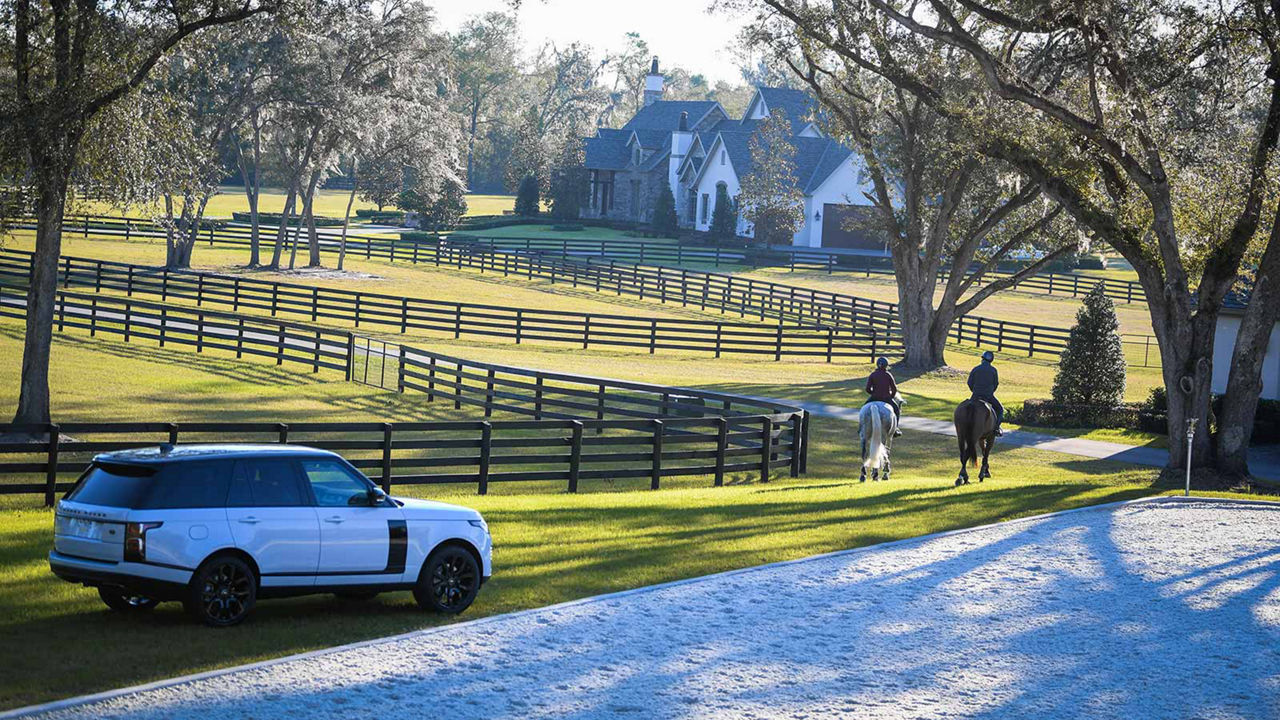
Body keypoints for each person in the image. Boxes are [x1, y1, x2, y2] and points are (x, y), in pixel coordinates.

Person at [968, 350, 1004, 436]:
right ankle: (996, 428)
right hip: (988, 396)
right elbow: (995, 384)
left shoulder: (975, 369)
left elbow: (969, 382)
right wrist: (990, 392)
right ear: (991, 360)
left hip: (975, 396)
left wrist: (975, 391)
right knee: (1000, 409)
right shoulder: (993, 370)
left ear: (982, 359)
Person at [865, 356, 902, 437]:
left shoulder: (873, 375)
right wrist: (891, 397)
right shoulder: (888, 375)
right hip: (886, 398)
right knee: (896, 410)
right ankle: (895, 429)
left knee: (864, 408)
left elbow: (867, 389)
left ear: (877, 365)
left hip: (874, 397)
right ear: (886, 365)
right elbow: (894, 389)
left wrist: (873, 393)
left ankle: (862, 426)